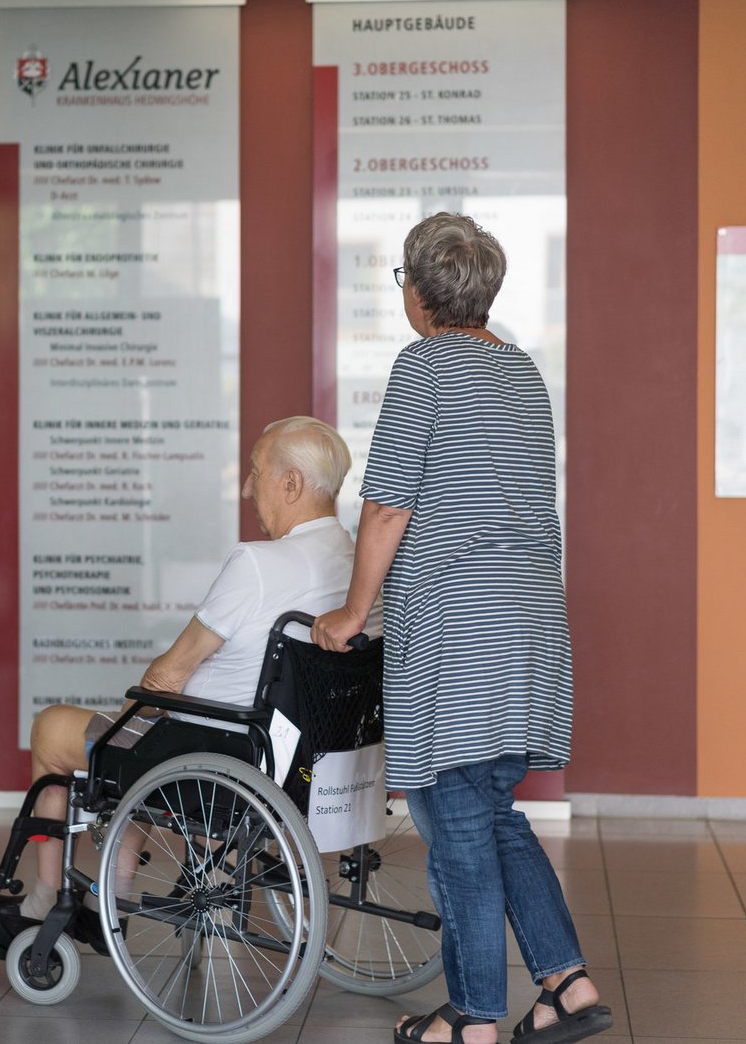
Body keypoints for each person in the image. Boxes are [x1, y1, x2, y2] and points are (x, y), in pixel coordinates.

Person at [312, 214, 611, 1044]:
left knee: (456, 823)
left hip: (458, 628)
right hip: (529, 626)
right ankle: (567, 982)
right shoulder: (522, 374)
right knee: (486, 810)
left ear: (417, 290)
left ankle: (473, 1017)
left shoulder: (423, 368)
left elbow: (387, 507)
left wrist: (351, 610)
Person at [0, 415, 375, 949]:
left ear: (291, 483)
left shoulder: (258, 562)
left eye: (255, 473)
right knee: (145, 730)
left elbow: (170, 672)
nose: (248, 489)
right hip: (312, 763)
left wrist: (144, 700)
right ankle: (117, 885)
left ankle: (45, 896)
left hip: (227, 757)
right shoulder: (358, 565)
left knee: (65, 729)